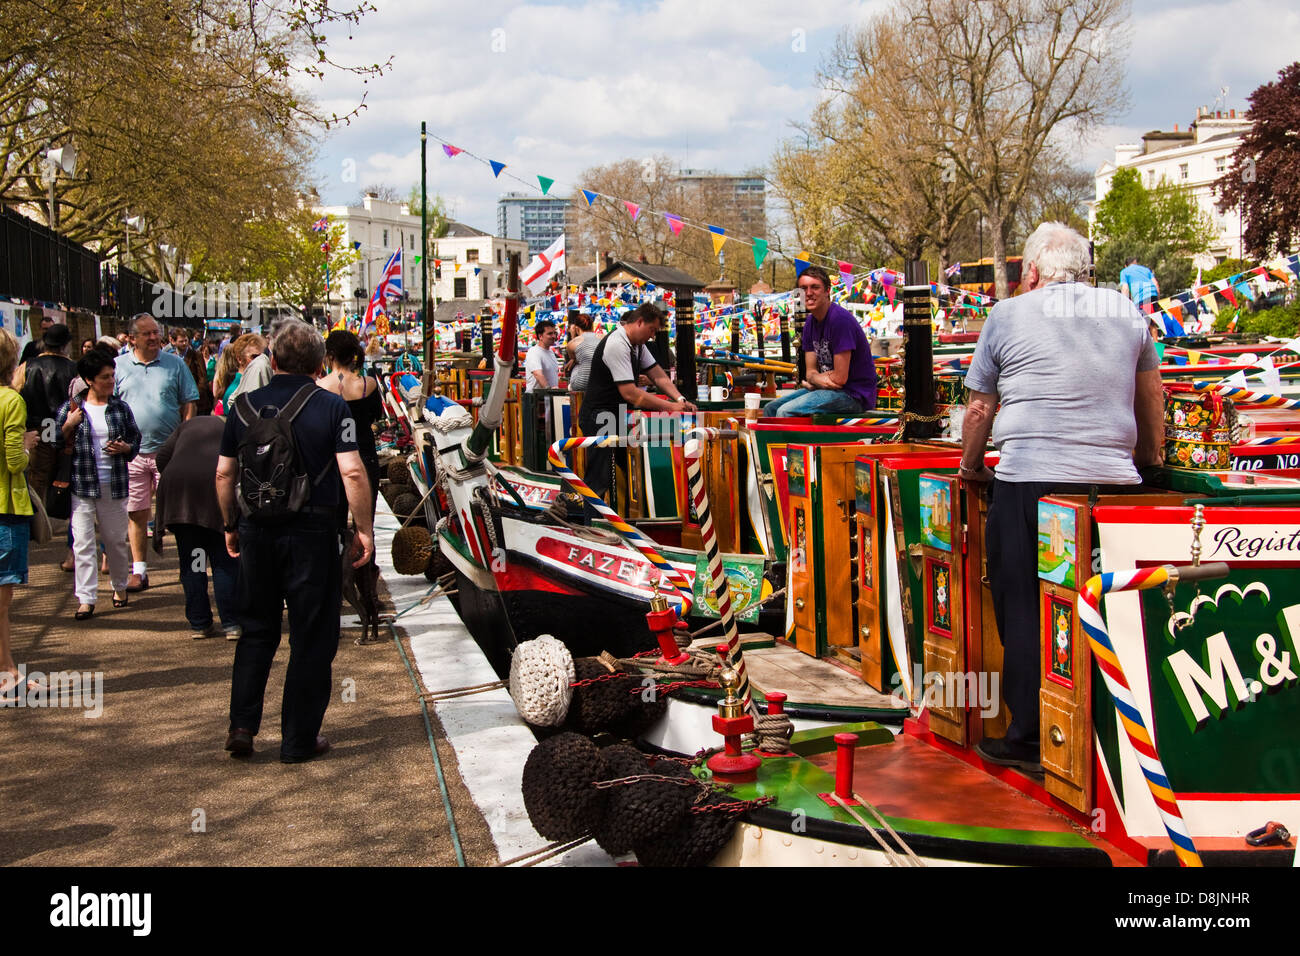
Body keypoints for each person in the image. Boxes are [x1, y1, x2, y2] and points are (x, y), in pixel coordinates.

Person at [959, 222, 1164, 773]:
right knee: (1105, 604)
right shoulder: (1129, 313)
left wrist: (971, 467)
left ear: (1030, 273)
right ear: (1086, 271)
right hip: (1111, 488)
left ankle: (1031, 738)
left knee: (1025, 608)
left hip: (1031, 482)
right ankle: (1110, 730)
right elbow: (1152, 402)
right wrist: (1149, 468)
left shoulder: (1006, 314)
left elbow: (979, 411)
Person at [216, 319, 374, 763]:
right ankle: (298, 738)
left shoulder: (241, 407)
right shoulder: (331, 408)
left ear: (272, 360)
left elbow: (224, 473)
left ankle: (243, 725)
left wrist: (230, 525)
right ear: (320, 362)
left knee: (257, 630)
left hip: (256, 532)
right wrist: (363, 530)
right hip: (313, 534)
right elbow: (353, 471)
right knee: (311, 635)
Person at [113, 314, 200, 592]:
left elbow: (189, 403)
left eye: (156, 333)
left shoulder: (175, 364)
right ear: (132, 338)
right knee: (136, 513)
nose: (153, 338)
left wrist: (184, 440)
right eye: (146, 334)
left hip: (170, 453)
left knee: (181, 515)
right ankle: (139, 571)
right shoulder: (118, 367)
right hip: (132, 454)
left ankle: (187, 567)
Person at [578, 304, 696, 500]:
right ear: (640, 322)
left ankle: (620, 519)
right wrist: (671, 407)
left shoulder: (637, 345)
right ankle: (593, 525)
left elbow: (658, 375)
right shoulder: (617, 343)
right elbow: (632, 394)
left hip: (617, 414)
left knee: (627, 469)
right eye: (651, 330)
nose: (652, 336)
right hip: (599, 415)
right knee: (600, 476)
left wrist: (680, 398)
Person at [57, 350, 142, 620]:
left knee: (116, 540)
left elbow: (135, 439)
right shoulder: (71, 408)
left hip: (113, 484)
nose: (111, 381)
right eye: (104, 377)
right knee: (82, 542)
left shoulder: (120, 408)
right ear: (89, 380)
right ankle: (85, 598)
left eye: (112, 375)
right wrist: (68, 426)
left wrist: (126, 447)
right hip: (82, 485)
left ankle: (119, 586)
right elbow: (51, 440)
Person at [154, 414, 238, 639]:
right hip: (213, 496)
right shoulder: (229, 428)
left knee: (194, 561)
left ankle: (199, 623)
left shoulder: (186, 426)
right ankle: (231, 623)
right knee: (223, 562)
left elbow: (161, 458)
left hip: (180, 498)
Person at [763, 266, 878, 417]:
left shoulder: (840, 320)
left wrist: (815, 379)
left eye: (815, 287)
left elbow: (840, 378)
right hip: (827, 389)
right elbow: (810, 372)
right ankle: (773, 441)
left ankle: (793, 442)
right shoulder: (810, 323)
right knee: (770, 409)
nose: (809, 293)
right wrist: (817, 378)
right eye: (803, 288)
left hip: (853, 395)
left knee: (785, 412)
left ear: (827, 291)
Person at [0, 329, 39, 697]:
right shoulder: (10, 401)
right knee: (1, 602)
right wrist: (27, 444)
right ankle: (7, 674)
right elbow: (15, 462)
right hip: (4, 507)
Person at [318, 330, 383, 522]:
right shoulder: (368, 384)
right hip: (365, 456)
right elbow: (375, 416)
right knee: (365, 522)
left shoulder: (319, 387)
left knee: (334, 524)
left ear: (329, 356)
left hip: (332, 461)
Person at [21, 322, 77, 505]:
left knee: (38, 473)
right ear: (65, 344)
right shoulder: (73, 368)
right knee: (63, 470)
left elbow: (14, 391)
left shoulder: (27, 366)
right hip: (64, 427)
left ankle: (37, 515)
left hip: (37, 426)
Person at [169, 327, 213, 416]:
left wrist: (194, 397)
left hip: (195, 402)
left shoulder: (196, 355)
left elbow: (203, 379)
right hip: (176, 403)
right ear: (174, 342)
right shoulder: (171, 357)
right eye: (181, 341)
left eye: (186, 340)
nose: (184, 343)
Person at [564, 312, 602, 394]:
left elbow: (575, 359)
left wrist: (572, 334)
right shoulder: (603, 337)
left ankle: (570, 387)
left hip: (580, 384)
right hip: (600, 382)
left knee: (576, 363)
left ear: (576, 328)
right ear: (592, 326)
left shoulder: (572, 343)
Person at [524, 320, 559, 393]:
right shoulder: (534, 351)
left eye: (554, 333)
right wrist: (549, 391)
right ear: (540, 336)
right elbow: (538, 374)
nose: (554, 336)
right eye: (550, 334)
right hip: (535, 399)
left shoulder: (551, 352)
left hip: (547, 397)